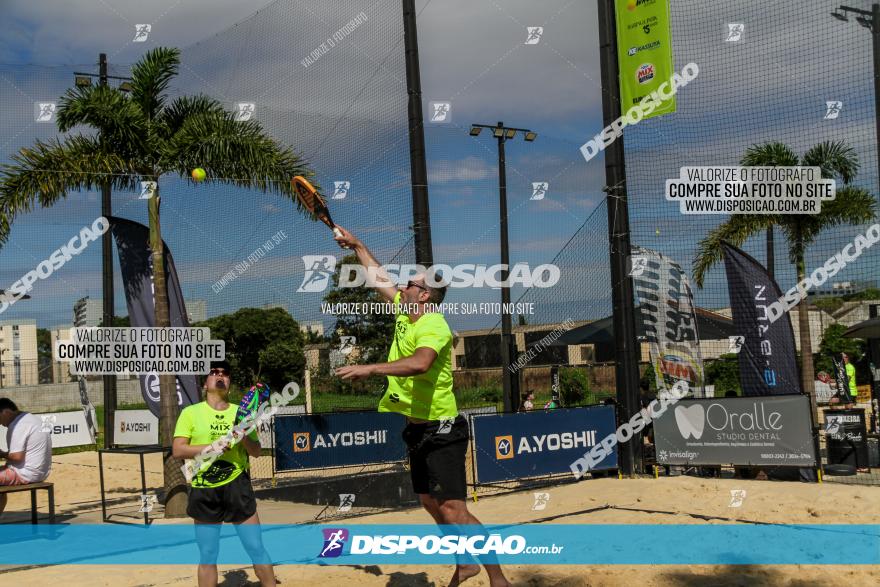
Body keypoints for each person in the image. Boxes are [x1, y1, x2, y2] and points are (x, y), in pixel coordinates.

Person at [333, 226, 510, 587]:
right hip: (416, 428)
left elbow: (421, 363)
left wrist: (370, 367)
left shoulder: (433, 324)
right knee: (430, 502)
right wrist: (358, 246)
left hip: (442, 428)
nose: (403, 287)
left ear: (425, 294)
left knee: (454, 509)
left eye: (410, 284)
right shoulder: (405, 310)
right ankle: (465, 563)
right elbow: (378, 277)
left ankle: (498, 577)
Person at [172, 360, 275, 587]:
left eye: (225, 373)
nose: (220, 375)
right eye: (214, 372)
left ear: (228, 383)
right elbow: (178, 449)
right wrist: (211, 447)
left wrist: (244, 434)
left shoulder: (242, 412)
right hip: (204, 487)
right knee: (208, 554)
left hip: (237, 486)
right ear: (205, 383)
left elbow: (257, 452)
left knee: (256, 548)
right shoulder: (190, 413)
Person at [0, 398, 52, 516]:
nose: (0, 423)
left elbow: (17, 457)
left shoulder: (19, 425)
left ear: (6, 412)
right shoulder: (30, 419)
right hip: (39, 471)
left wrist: (2, 454)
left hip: (26, 473)